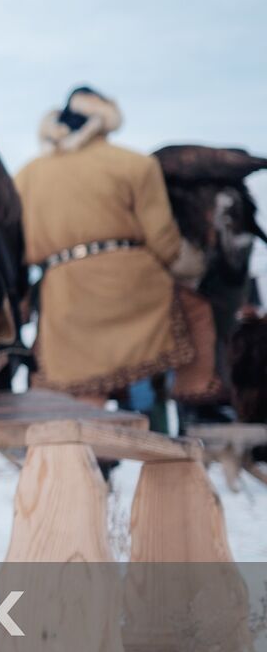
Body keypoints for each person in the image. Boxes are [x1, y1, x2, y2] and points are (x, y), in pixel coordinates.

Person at [16, 87, 202, 411]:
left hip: (64, 294)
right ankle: (191, 406)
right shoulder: (134, 164)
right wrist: (197, 266)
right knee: (193, 318)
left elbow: (19, 246)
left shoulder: (27, 175)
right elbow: (164, 242)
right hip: (136, 288)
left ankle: (92, 444)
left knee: (81, 384)